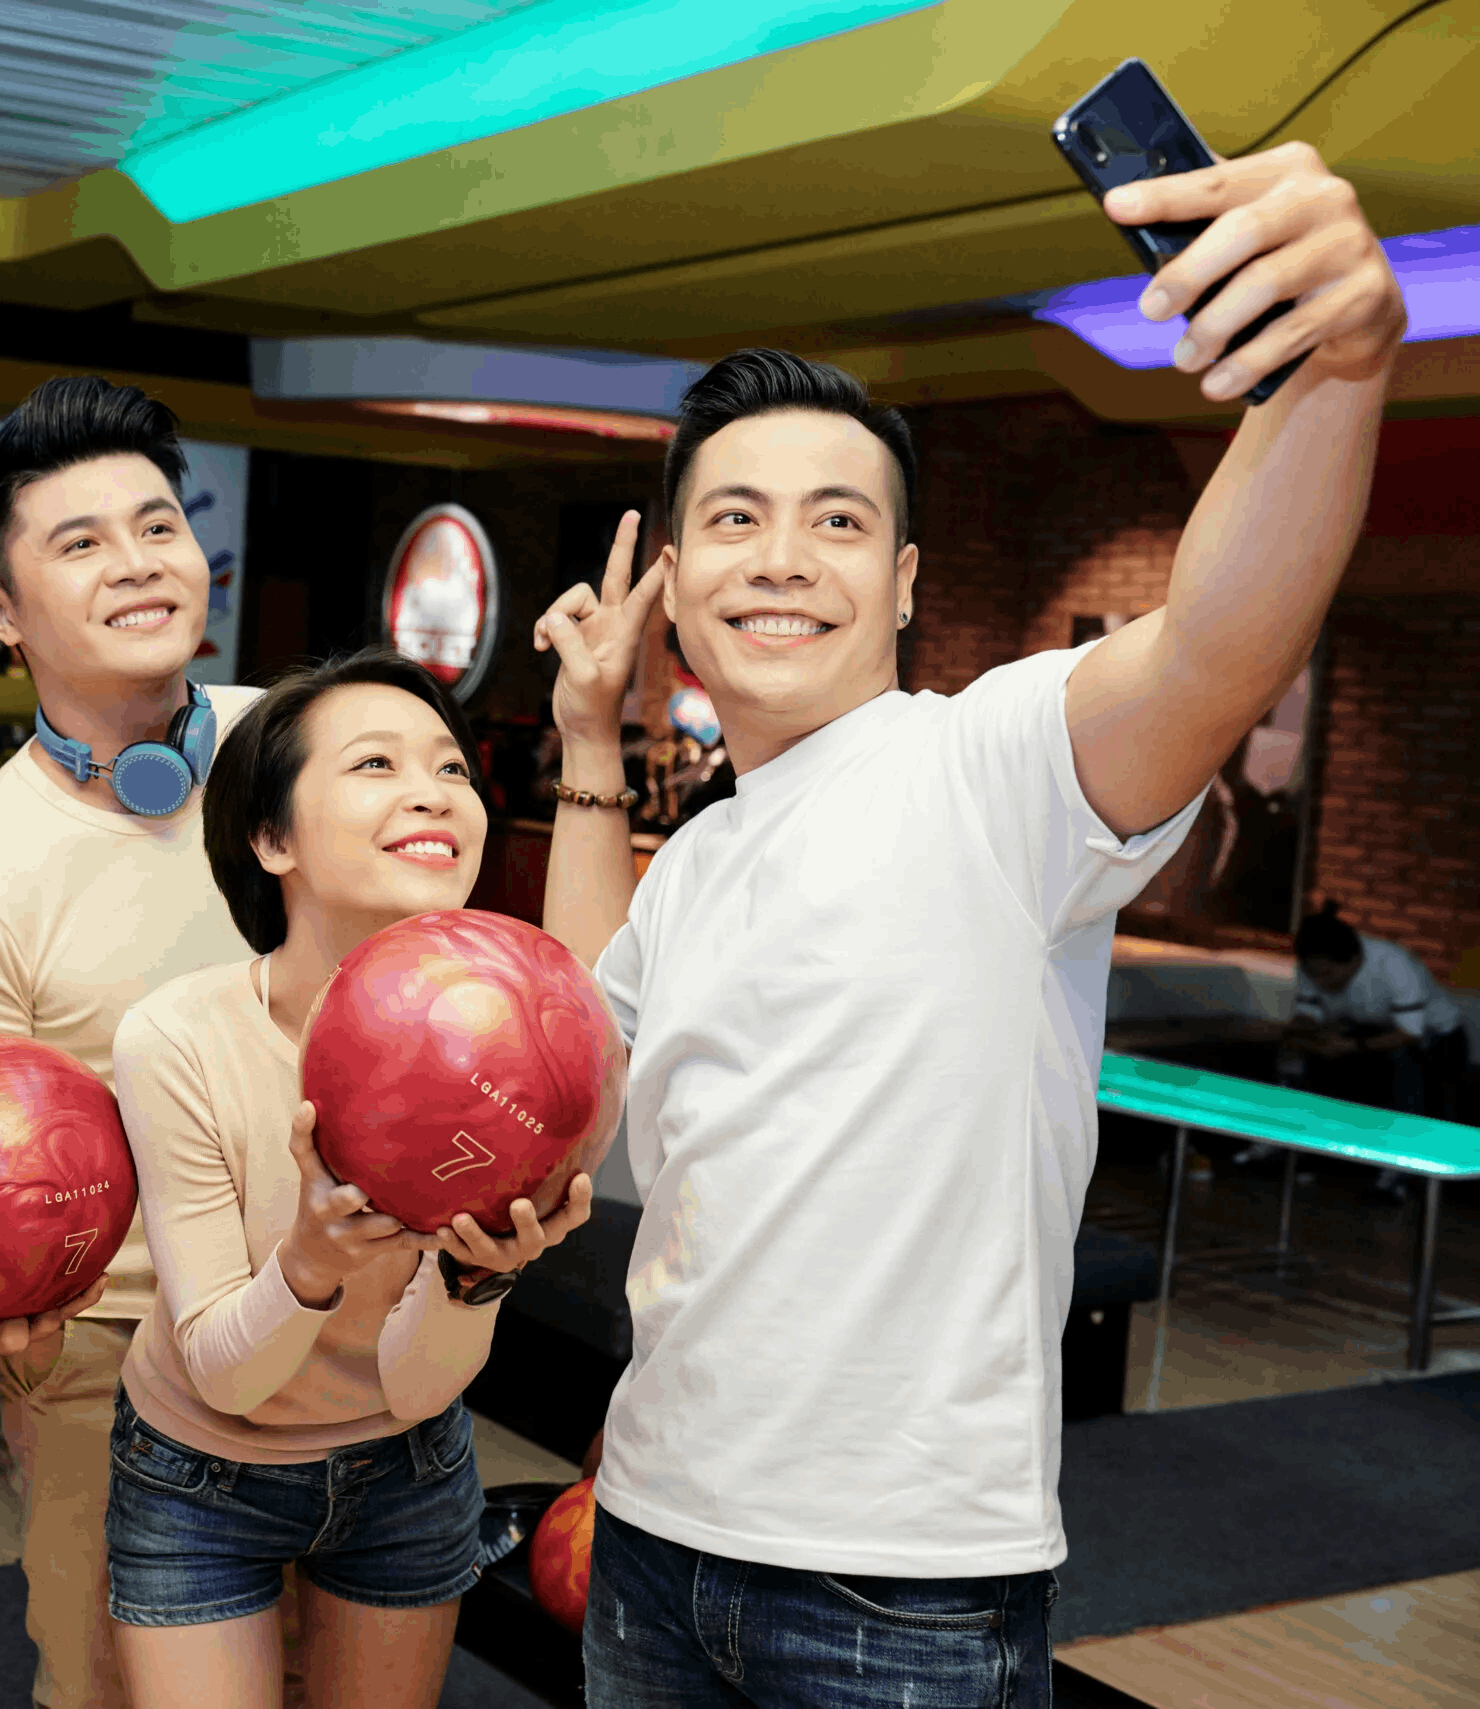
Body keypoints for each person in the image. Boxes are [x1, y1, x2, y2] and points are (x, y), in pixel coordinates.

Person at [531, 138, 1405, 1707]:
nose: (782, 558)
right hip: (647, 1534)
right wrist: (591, 737)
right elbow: (592, 1089)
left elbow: (1215, 641)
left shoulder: (989, 766)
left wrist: (1336, 371)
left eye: (838, 524)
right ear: (673, 575)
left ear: (909, 579)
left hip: (897, 1597)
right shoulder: (710, 854)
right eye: (733, 520)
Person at [0, 374, 272, 1709]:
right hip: (120, 1364)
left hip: (351, 1325)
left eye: (155, 526)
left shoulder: (310, 753)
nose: (137, 563)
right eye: (81, 542)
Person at [104, 648, 599, 1709]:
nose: (432, 788)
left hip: (405, 1463)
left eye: (451, 768)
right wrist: (311, 1261)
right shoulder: (177, 1037)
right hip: (198, 1468)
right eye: (375, 763)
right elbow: (224, 1375)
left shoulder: (508, 1052)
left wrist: (477, 1282)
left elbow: (416, 1386)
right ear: (271, 835)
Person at [1278, 902, 1470, 1197]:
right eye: (1314, 975)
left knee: (1404, 1064)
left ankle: (1400, 1167)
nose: (1320, 982)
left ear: (1354, 960)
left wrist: (1350, 1046)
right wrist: (1303, 1033)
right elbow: (1309, 1010)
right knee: (1300, 1055)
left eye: (1328, 975)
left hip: (1437, 1036)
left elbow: (1409, 1032)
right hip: (1371, 1028)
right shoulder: (1312, 966)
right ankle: (1302, 1149)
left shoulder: (1393, 963)